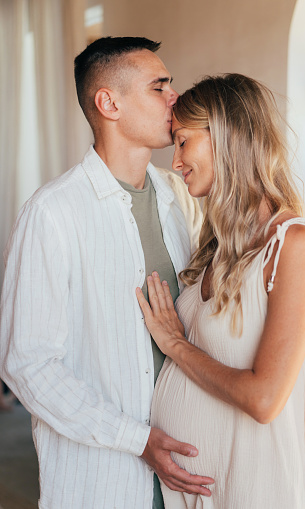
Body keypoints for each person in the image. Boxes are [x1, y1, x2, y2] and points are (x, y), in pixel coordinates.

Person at [0, 37, 215, 509]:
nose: (174, 98)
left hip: (187, 472)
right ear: (109, 102)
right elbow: (29, 364)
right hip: (102, 483)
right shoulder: (52, 213)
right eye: (159, 86)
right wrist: (138, 440)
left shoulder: (178, 196)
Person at [136, 73, 305, 508]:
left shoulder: (295, 244)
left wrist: (175, 344)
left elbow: (264, 399)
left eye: (184, 142)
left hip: (258, 490)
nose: (176, 161)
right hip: (206, 490)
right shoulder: (214, 248)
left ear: (227, 137)